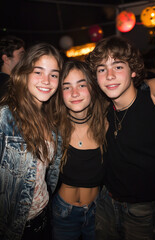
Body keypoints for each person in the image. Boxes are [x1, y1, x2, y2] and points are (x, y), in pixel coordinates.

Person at [86, 36, 155, 240]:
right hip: (105, 203)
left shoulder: (154, 106)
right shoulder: (101, 109)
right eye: (102, 69)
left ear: (133, 70)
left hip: (142, 211)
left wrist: (153, 81)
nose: (109, 75)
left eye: (117, 67)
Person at [0, 42, 63, 240]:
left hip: (45, 216)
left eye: (53, 74)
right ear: (24, 73)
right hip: (15, 229)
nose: (46, 80)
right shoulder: (5, 118)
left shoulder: (51, 119)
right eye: (38, 72)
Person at [51, 59, 108, 240]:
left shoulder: (106, 122)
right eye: (67, 87)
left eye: (81, 85)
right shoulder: (53, 127)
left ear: (92, 87)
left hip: (98, 211)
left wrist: (151, 82)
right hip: (63, 213)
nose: (74, 93)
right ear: (60, 93)